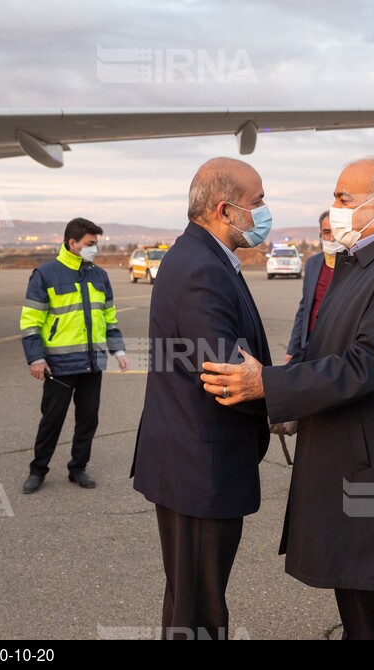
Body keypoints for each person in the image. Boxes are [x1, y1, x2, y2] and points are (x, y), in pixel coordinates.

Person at [199, 157, 374, 640]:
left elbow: (369, 363)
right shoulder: (367, 260)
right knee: (359, 593)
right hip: (357, 457)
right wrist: (290, 394)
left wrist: (271, 386)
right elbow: (329, 350)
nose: (334, 208)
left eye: (343, 198)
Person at [130, 157, 273, 640]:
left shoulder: (203, 257)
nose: (263, 211)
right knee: (199, 609)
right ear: (224, 209)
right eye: (257, 203)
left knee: (191, 599)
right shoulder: (200, 268)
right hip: (199, 467)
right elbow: (225, 374)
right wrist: (288, 399)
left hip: (194, 461)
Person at [19, 218, 128, 495]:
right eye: (90, 244)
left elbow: (109, 318)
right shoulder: (45, 274)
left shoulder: (100, 276)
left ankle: (78, 467)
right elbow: (31, 321)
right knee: (51, 421)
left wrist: (118, 349)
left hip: (92, 364)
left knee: (88, 420)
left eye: (96, 244)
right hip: (59, 366)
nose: (95, 249)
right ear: (73, 243)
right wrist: (36, 358)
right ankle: (37, 470)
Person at [285, 210, 343, 363]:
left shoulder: (356, 265)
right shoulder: (313, 264)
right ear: (320, 234)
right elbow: (304, 307)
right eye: (326, 232)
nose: (331, 238)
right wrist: (293, 348)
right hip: (310, 347)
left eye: (336, 232)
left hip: (339, 351)